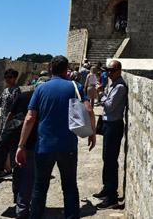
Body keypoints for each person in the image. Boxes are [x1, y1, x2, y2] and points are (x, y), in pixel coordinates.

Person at [15, 55, 96, 219]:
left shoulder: (40, 89)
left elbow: (30, 118)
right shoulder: (75, 86)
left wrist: (21, 145)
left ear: (51, 69)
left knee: (40, 187)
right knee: (70, 186)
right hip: (68, 146)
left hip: (44, 146)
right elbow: (89, 110)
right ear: (66, 70)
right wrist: (92, 134)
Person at [94, 60, 127, 210]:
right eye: (107, 70)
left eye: (112, 70)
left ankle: (112, 197)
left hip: (114, 126)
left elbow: (109, 106)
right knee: (106, 158)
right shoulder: (113, 84)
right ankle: (107, 189)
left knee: (110, 161)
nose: (109, 73)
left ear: (119, 71)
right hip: (109, 125)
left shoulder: (120, 87)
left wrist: (101, 93)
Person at [4, 89, 36, 219]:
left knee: (17, 171)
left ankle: (16, 197)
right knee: (29, 176)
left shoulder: (22, 96)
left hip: (16, 137)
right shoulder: (42, 97)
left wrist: (5, 133)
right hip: (31, 140)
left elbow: (10, 115)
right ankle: (22, 210)